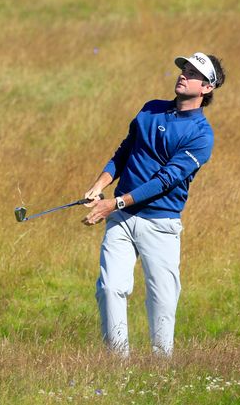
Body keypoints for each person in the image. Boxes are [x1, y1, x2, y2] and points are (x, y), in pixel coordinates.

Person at [82, 52, 226, 357]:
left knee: (162, 297)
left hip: (161, 223)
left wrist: (115, 202)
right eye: (184, 69)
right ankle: (116, 365)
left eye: (193, 73)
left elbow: (165, 180)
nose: (183, 75)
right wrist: (100, 185)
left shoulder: (201, 135)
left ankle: (161, 368)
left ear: (207, 88)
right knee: (109, 288)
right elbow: (124, 151)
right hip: (121, 218)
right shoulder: (150, 110)